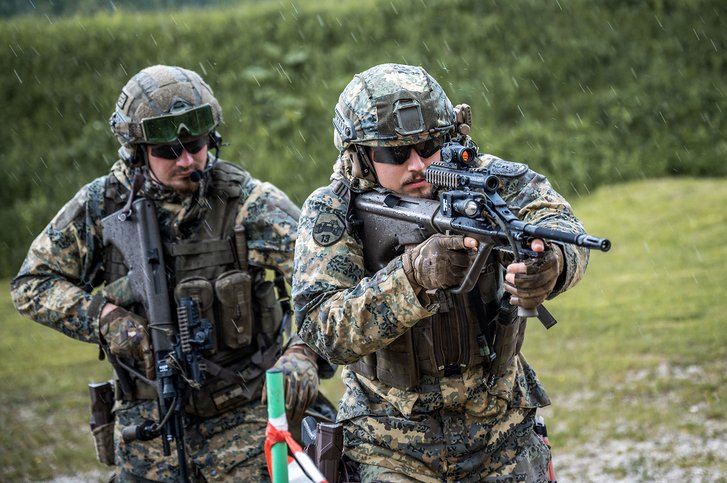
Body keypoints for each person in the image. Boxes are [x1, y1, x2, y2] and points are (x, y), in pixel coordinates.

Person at [10, 64, 331, 482]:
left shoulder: (248, 203)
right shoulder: (102, 205)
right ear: (137, 150)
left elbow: (328, 283)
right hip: (149, 425)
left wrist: (303, 353)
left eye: (195, 144)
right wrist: (105, 319)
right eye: (168, 150)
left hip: (243, 420)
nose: (186, 160)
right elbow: (32, 284)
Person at [292, 63, 590, 482]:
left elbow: (560, 226)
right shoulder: (334, 211)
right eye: (395, 153)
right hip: (388, 444)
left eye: (430, 145)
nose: (418, 165)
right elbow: (322, 329)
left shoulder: (487, 180)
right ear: (359, 156)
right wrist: (411, 278)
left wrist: (554, 266)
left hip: (501, 431)